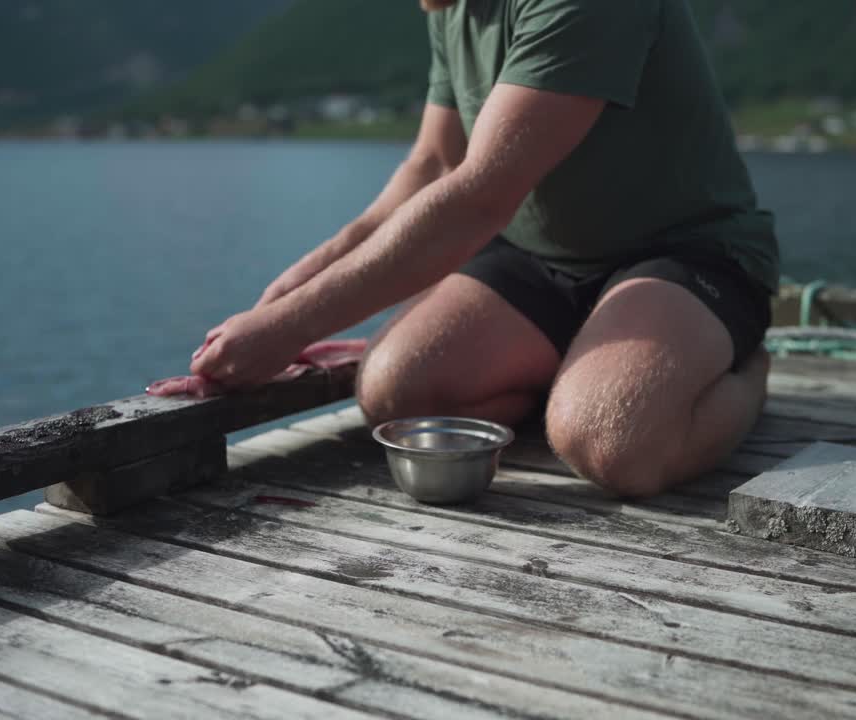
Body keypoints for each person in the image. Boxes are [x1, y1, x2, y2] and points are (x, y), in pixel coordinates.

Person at [191, 0, 780, 497]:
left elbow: (480, 197)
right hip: (539, 259)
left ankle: (744, 367)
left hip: (687, 252)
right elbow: (431, 166)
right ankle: (581, 364)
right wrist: (286, 299)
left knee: (615, 443)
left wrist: (289, 328)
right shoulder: (450, 5)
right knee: (394, 391)